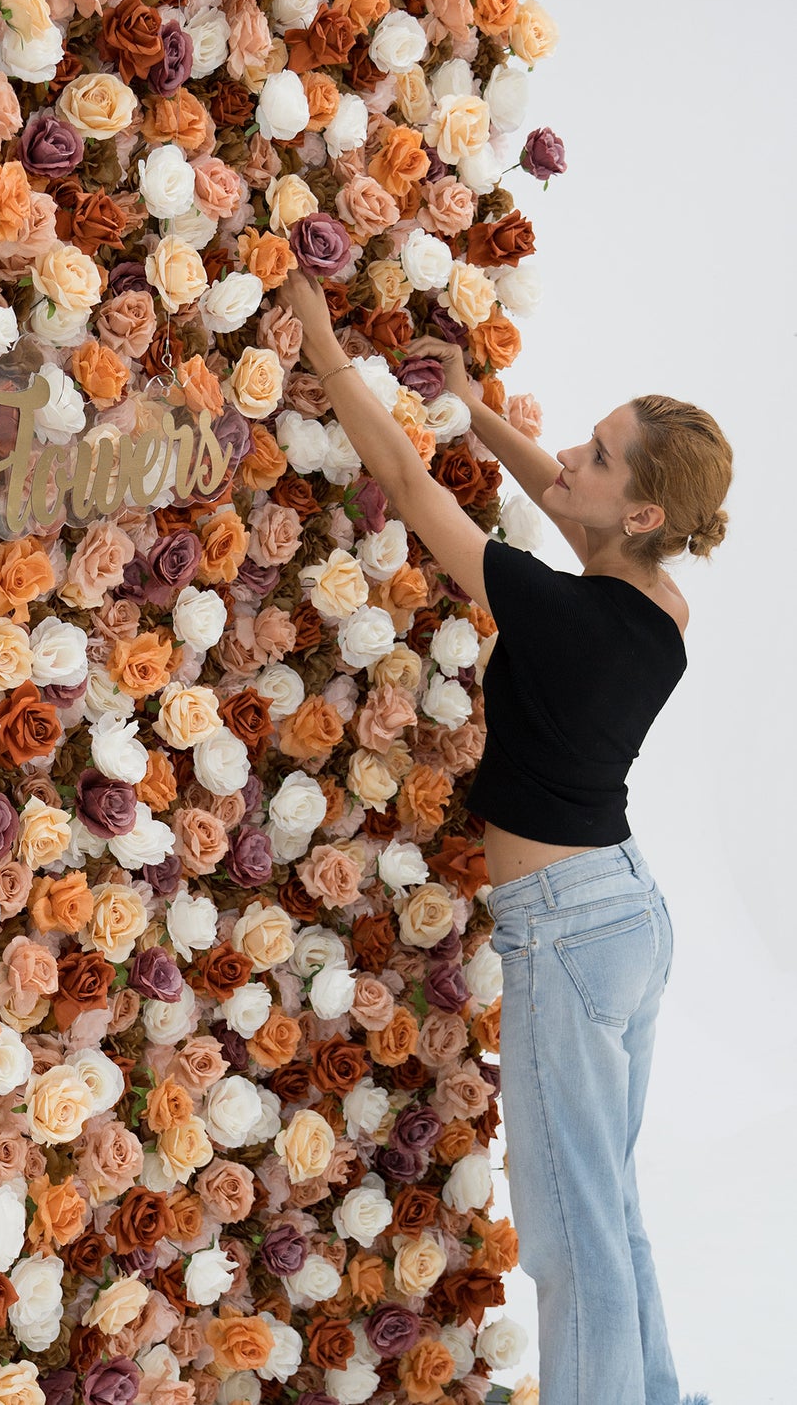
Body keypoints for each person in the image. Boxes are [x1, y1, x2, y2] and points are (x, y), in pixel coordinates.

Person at [276, 270, 733, 1405]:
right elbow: (570, 513)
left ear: (640, 514)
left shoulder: (565, 614)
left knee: (573, 1239)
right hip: (624, 917)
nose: (568, 457)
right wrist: (479, 406)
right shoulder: (659, 607)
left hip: (568, 936)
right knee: (610, 1210)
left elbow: (404, 480)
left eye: (597, 455)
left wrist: (325, 348)